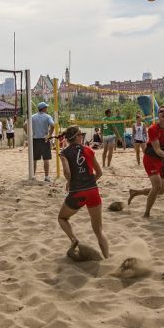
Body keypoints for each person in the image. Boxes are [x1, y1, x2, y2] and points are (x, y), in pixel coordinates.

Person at [58, 126, 109, 259]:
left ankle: (73, 239)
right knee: (99, 230)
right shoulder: (88, 150)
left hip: (77, 192)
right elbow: (99, 173)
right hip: (92, 191)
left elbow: (67, 172)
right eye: (81, 134)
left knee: (62, 218)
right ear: (77, 137)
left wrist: (69, 182)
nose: (82, 136)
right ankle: (108, 259)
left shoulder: (64, 153)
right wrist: (89, 183)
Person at [127, 105, 164, 218]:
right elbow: (157, 150)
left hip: (163, 158)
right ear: (158, 115)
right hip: (150, 158)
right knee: (157, 186)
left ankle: (136, 192)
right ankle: (146, 213)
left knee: (161, 191)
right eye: (161, 111)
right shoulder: (153, 129)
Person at [31, 102, 55, 182]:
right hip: (44, 139)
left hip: (35, 139)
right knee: (46, 159)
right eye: (46, 108)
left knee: (34, 159)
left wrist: (29, 134)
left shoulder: (32, 117)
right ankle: (47, 177)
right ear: (44, 108)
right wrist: (49, 135)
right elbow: (52, 125)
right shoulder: (48, 116)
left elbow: (25, 125)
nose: (47, 109)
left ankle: (33, 176)